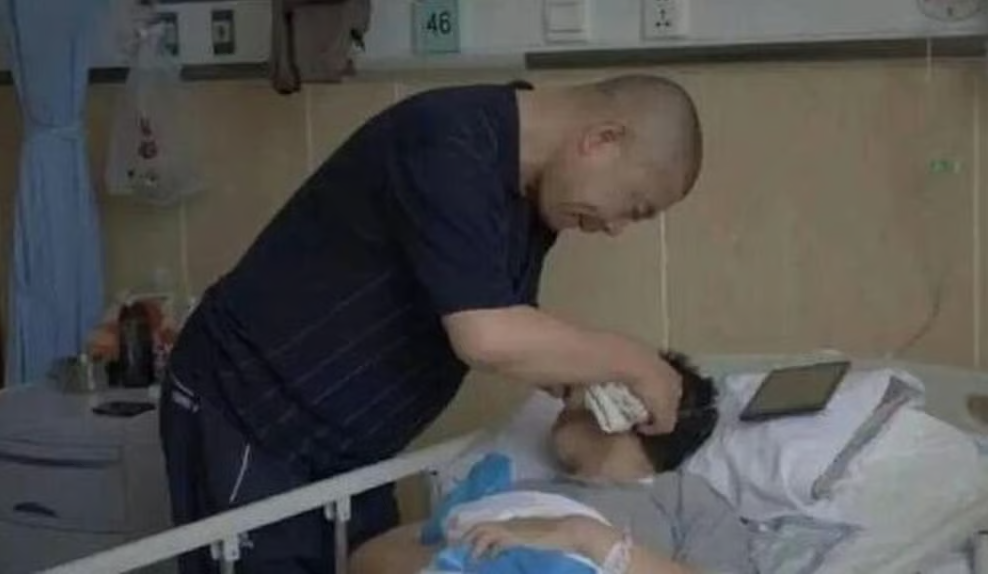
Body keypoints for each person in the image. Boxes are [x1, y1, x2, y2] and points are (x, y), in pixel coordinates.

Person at [159, 74, 704, 574]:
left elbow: (509, 322)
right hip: (252, 412)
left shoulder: (531, 195)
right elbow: (485, 335)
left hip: (349, 451)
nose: (615, 228)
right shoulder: (447, 144)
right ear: (602, 139)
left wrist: (581, 385)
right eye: (634, 206)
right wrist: (636, 363)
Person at [349, 352, 753, 574]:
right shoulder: (515, 494)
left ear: (637, 409)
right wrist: (459, 559)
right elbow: (366, 561)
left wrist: (586, 538)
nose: (564, 400)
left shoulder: (683, 501)